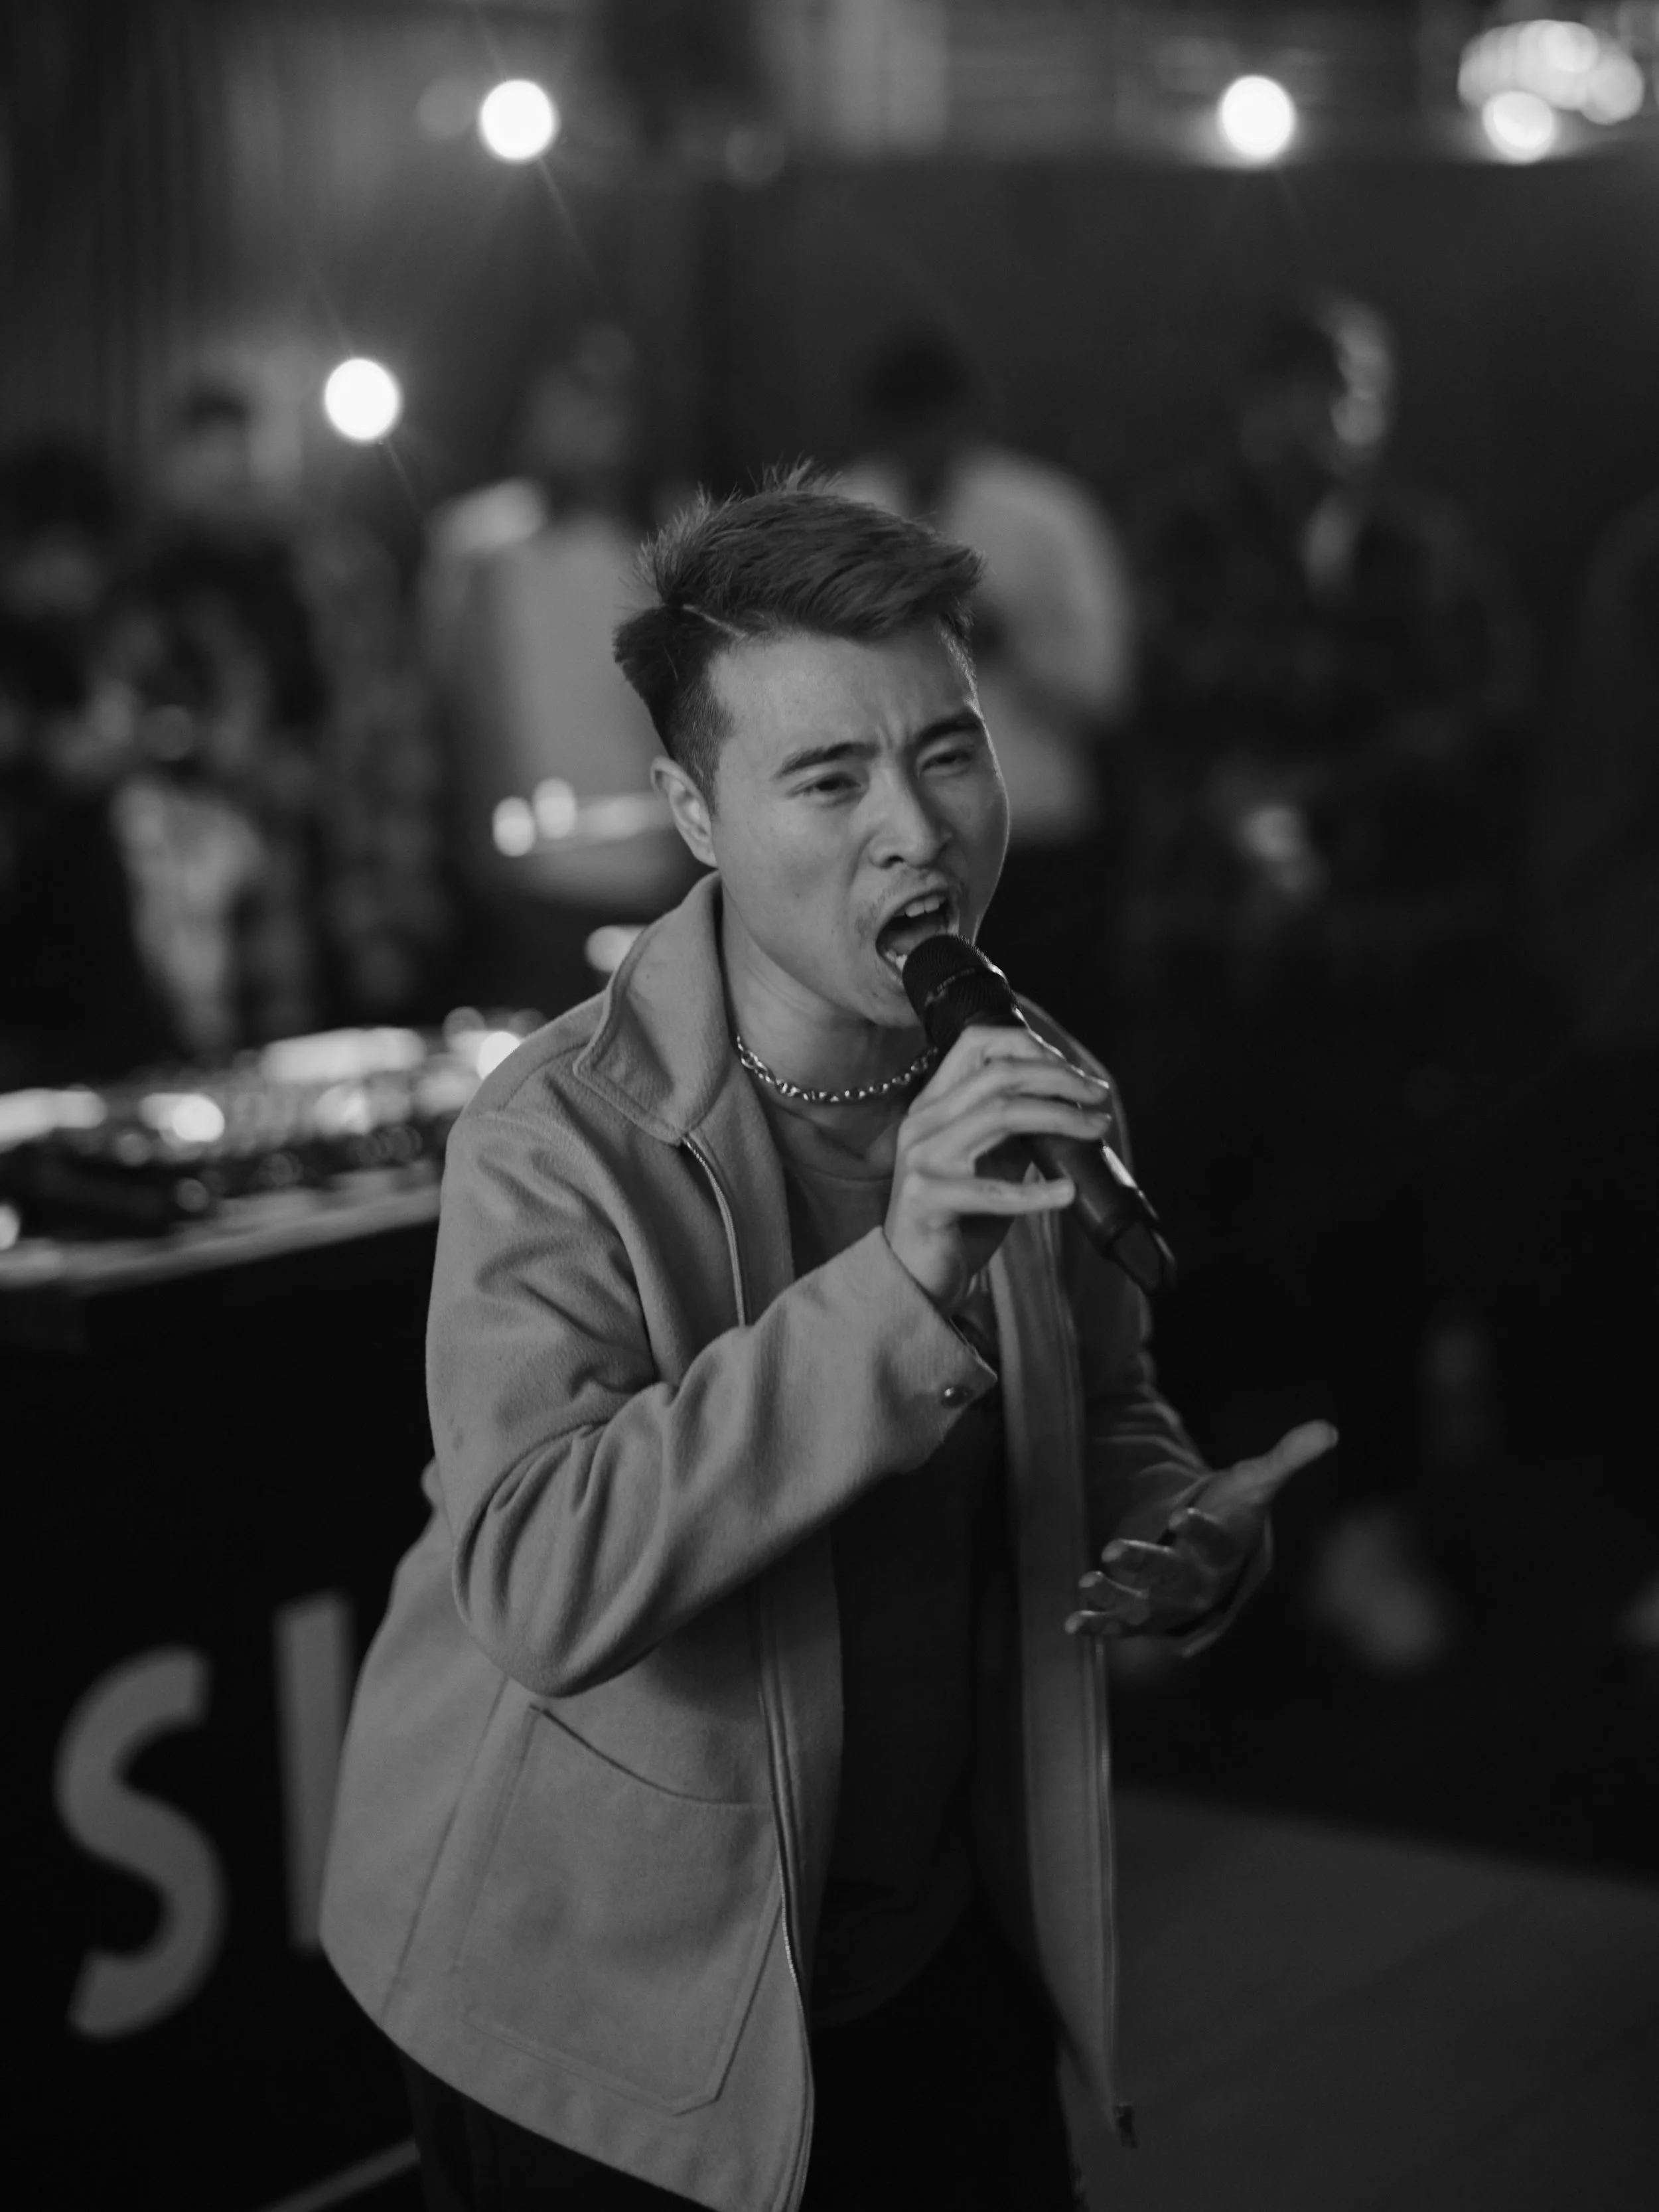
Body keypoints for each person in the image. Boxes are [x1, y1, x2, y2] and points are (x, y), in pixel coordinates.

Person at [321, 476, 1334, 2211]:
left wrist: (1170, 1520)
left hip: (926, 1929)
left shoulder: (1021, 1066)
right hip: (603, 2000)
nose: (915, 830)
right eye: (827, 778)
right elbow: (540, 1581)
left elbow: (1097, 1398)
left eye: (947, 750)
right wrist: (904, 1272)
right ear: (693, 812)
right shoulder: (555, 1134)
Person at [1123, 295, 1525, 1672]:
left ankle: (1364, 1536)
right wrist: (1270, 776)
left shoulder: (1423, 547)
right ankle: (1170, 1553)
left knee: (1372, 1268)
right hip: (1205, 964)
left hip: (1361, 974)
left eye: (1349, 394)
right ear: (1253, 403)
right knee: (1176, 1268)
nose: (1321, 424)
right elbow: (1163, 683)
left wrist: (1311, 786)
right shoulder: (1181, 534)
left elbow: (1478, 717)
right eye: (1298, 392)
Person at [840, 332, 1135, 1050]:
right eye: (905, 426)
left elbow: (1107, 690)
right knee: (903, 1053)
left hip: (1034, 836)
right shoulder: (837, 515)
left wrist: (1008, 643)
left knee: (1045, 1044)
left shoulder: (1044, 515)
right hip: (891, 836)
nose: (922, 445)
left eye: (933, 422)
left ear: (965, 418)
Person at [421, 325, 696, 1013]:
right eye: (573, 397)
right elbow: (449, 700)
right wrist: (474, 838)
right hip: (532, 873)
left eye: (612, 400)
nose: (593, 422)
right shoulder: (480, 542)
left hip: (663, 864)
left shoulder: (679, 534)